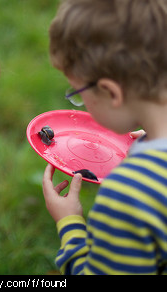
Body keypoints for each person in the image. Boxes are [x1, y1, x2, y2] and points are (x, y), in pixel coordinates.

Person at [42, 0, 167, 275]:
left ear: (111, 93)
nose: (82, 102)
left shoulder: (129, 193)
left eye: (78, 93)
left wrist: (70, 222)